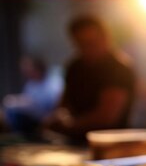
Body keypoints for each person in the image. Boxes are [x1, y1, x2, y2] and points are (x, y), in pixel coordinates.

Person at [43, 14, 136, 143]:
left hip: (111, 145)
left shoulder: (118, 68)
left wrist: (69, 126)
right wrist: (56, 118)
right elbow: (64, 103)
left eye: (91, 42)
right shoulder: (75, 66)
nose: (86, 48)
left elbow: (106, 117)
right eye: (81, 44)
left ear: (105, 38)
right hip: (74, 142)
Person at [2, 56, 63, 136]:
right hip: (32, 117)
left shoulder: (53, 83)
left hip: (47, 117)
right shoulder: (31, 84)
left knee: (15, 116)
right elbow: (27, 100)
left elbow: (55, 104)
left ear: (37, 68)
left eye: (28, 68)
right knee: (11, 112)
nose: (25, 71)